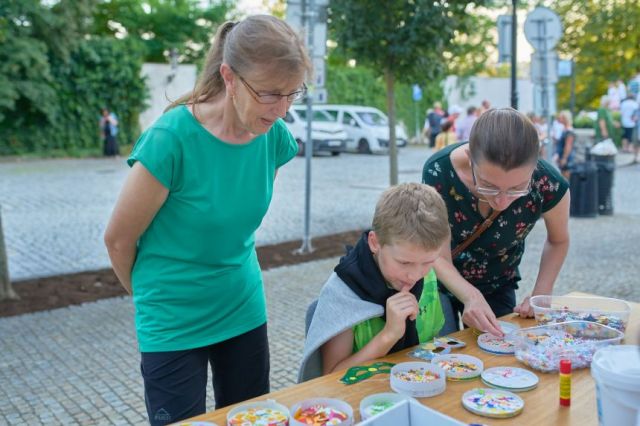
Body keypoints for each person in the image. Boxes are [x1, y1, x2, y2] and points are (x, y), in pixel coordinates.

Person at [103, 15, 311, 425]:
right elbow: (118, 240)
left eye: (292, 94)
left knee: (253, 419)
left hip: (242, 307)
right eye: (270, 94)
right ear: (229, 77)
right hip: (173, 319)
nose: (283, 109)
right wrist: (154, 297)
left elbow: (233, 218)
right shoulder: (171, 139)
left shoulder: (274, 135)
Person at [422, 108, 570, 336]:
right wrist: (471, 296)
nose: (501, 201)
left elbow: (558, 240)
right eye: (488, 185)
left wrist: (541, 294)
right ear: (471, 158)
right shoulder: (439, 171)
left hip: (499, 281)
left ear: (534, 166)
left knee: (501, 355)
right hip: (441, 280)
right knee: (443, 354)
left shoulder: (549, 183)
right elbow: (436, 254)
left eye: (517, 188)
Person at [298, 183, 450, 382]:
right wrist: (388, 336)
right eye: (404, 262)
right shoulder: (343, 292)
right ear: (375, 243)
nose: (414, 275)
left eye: (428, 262)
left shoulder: (427, 275)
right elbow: (331, 378)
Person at [554, 110, 575, 179]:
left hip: (566, 157)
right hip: (563, 156)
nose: (559, 119)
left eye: (561, 118)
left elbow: (568, 145)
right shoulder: (565, 129)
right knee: (563, 175)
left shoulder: (569, 130)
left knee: (566, 177)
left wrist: (564, 158)